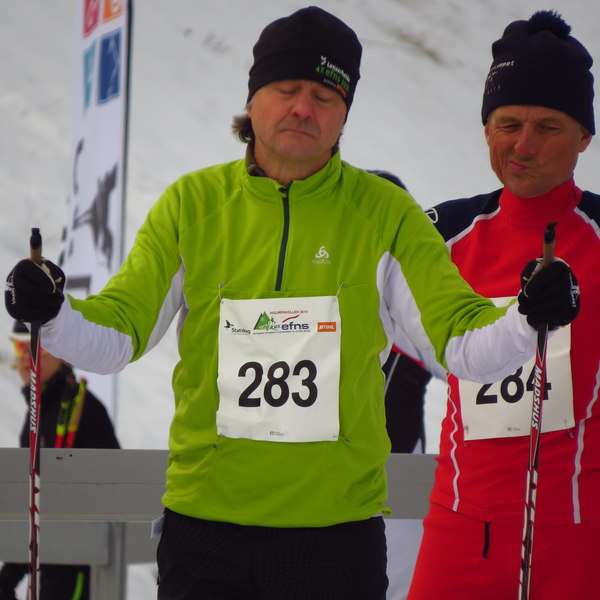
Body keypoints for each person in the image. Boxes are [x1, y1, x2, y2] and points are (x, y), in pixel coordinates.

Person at [4, 7, 580, 600]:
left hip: (335, 538)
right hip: (204, 532)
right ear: (253, 99)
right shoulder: (191, 205)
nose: (303, 108)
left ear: (344, 114)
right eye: (286, 90)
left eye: (325, 96)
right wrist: (53, 314)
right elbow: (120, 331)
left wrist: (524, 318)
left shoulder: (385, 213)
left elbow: (458, 338)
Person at [407, 10, 600, 600]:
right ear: (486, 128)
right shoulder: (443, 234)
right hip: (460, 530)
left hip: (580, 535)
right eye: (508, 123)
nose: (523, 145)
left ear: (584, 137)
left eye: (548, 127)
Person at [0, 321, 120, 600]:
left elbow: (111, 494)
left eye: (33, 348)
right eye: (18, 347)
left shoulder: (85, 409)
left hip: (80, 565)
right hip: (50, 560)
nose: (24, 358)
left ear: (60, 351)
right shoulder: (37, 414)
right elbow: (35, 501)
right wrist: (11, 573)